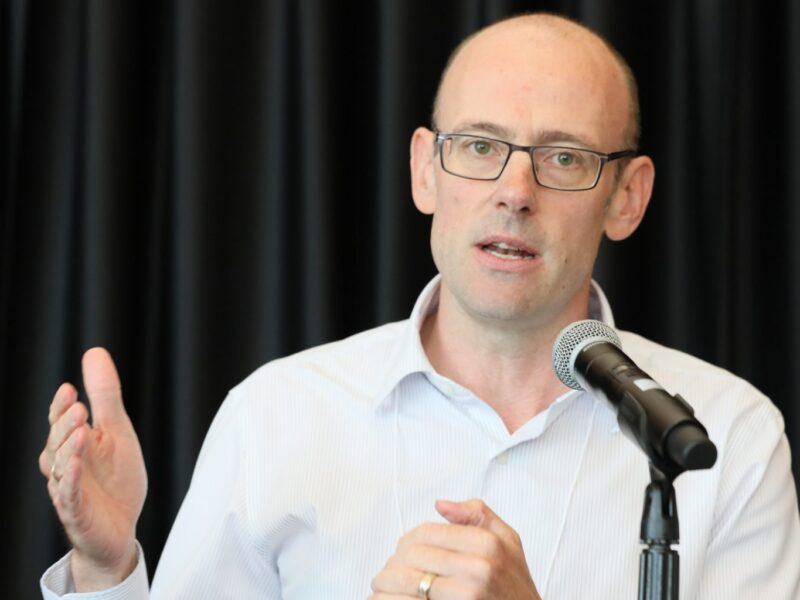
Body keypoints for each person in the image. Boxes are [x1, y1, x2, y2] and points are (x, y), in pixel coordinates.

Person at [40, 12, 800, 599]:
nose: (514, 191)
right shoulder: (276, 413)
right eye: (478, 146)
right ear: (424, 172)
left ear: (626, 197)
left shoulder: (721, 438)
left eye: (563, 158)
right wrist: (107, 572)